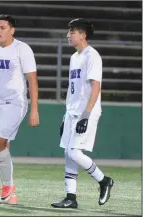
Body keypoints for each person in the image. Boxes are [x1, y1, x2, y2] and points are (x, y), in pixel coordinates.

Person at [51, 18, 114, 209]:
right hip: (72, 112)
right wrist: (65, 115)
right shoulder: (74, 57)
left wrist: (86, 115)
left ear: (83, 35)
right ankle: (71, 197)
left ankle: (104, 180)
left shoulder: (92, 56)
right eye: (69, 31)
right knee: (68, 154)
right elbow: (73, 89)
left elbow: (96, 87)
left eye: (72, 32)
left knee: (73, 152)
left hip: (86, 111)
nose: (68, 35)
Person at [0, 14, 39, 205]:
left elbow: (32, 81)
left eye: (2, 27)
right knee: (1, 146)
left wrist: (34, 109)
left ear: (12, 30)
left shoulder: (22, 49)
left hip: (14, 102)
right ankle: (8, 193)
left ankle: (7, 187)